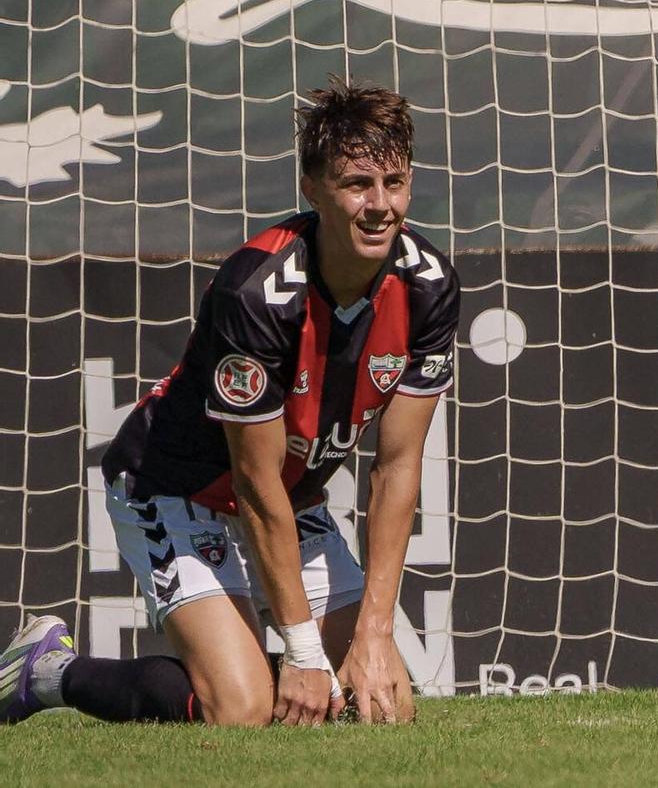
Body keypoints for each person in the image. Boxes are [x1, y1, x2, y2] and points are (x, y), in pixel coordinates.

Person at [0, 81, 458, 726]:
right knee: (241, 710)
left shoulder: (429, 287)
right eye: (358, 184)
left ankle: (282, 672)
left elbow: (397, 463)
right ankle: (49, 670)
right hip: (174, 488)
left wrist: (376, 634)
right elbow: (252, 478)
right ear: (312, 188)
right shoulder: (256, 293)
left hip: (289, 501)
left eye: (395, 183)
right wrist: (301, 651)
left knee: (381, 706)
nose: (380, 206)